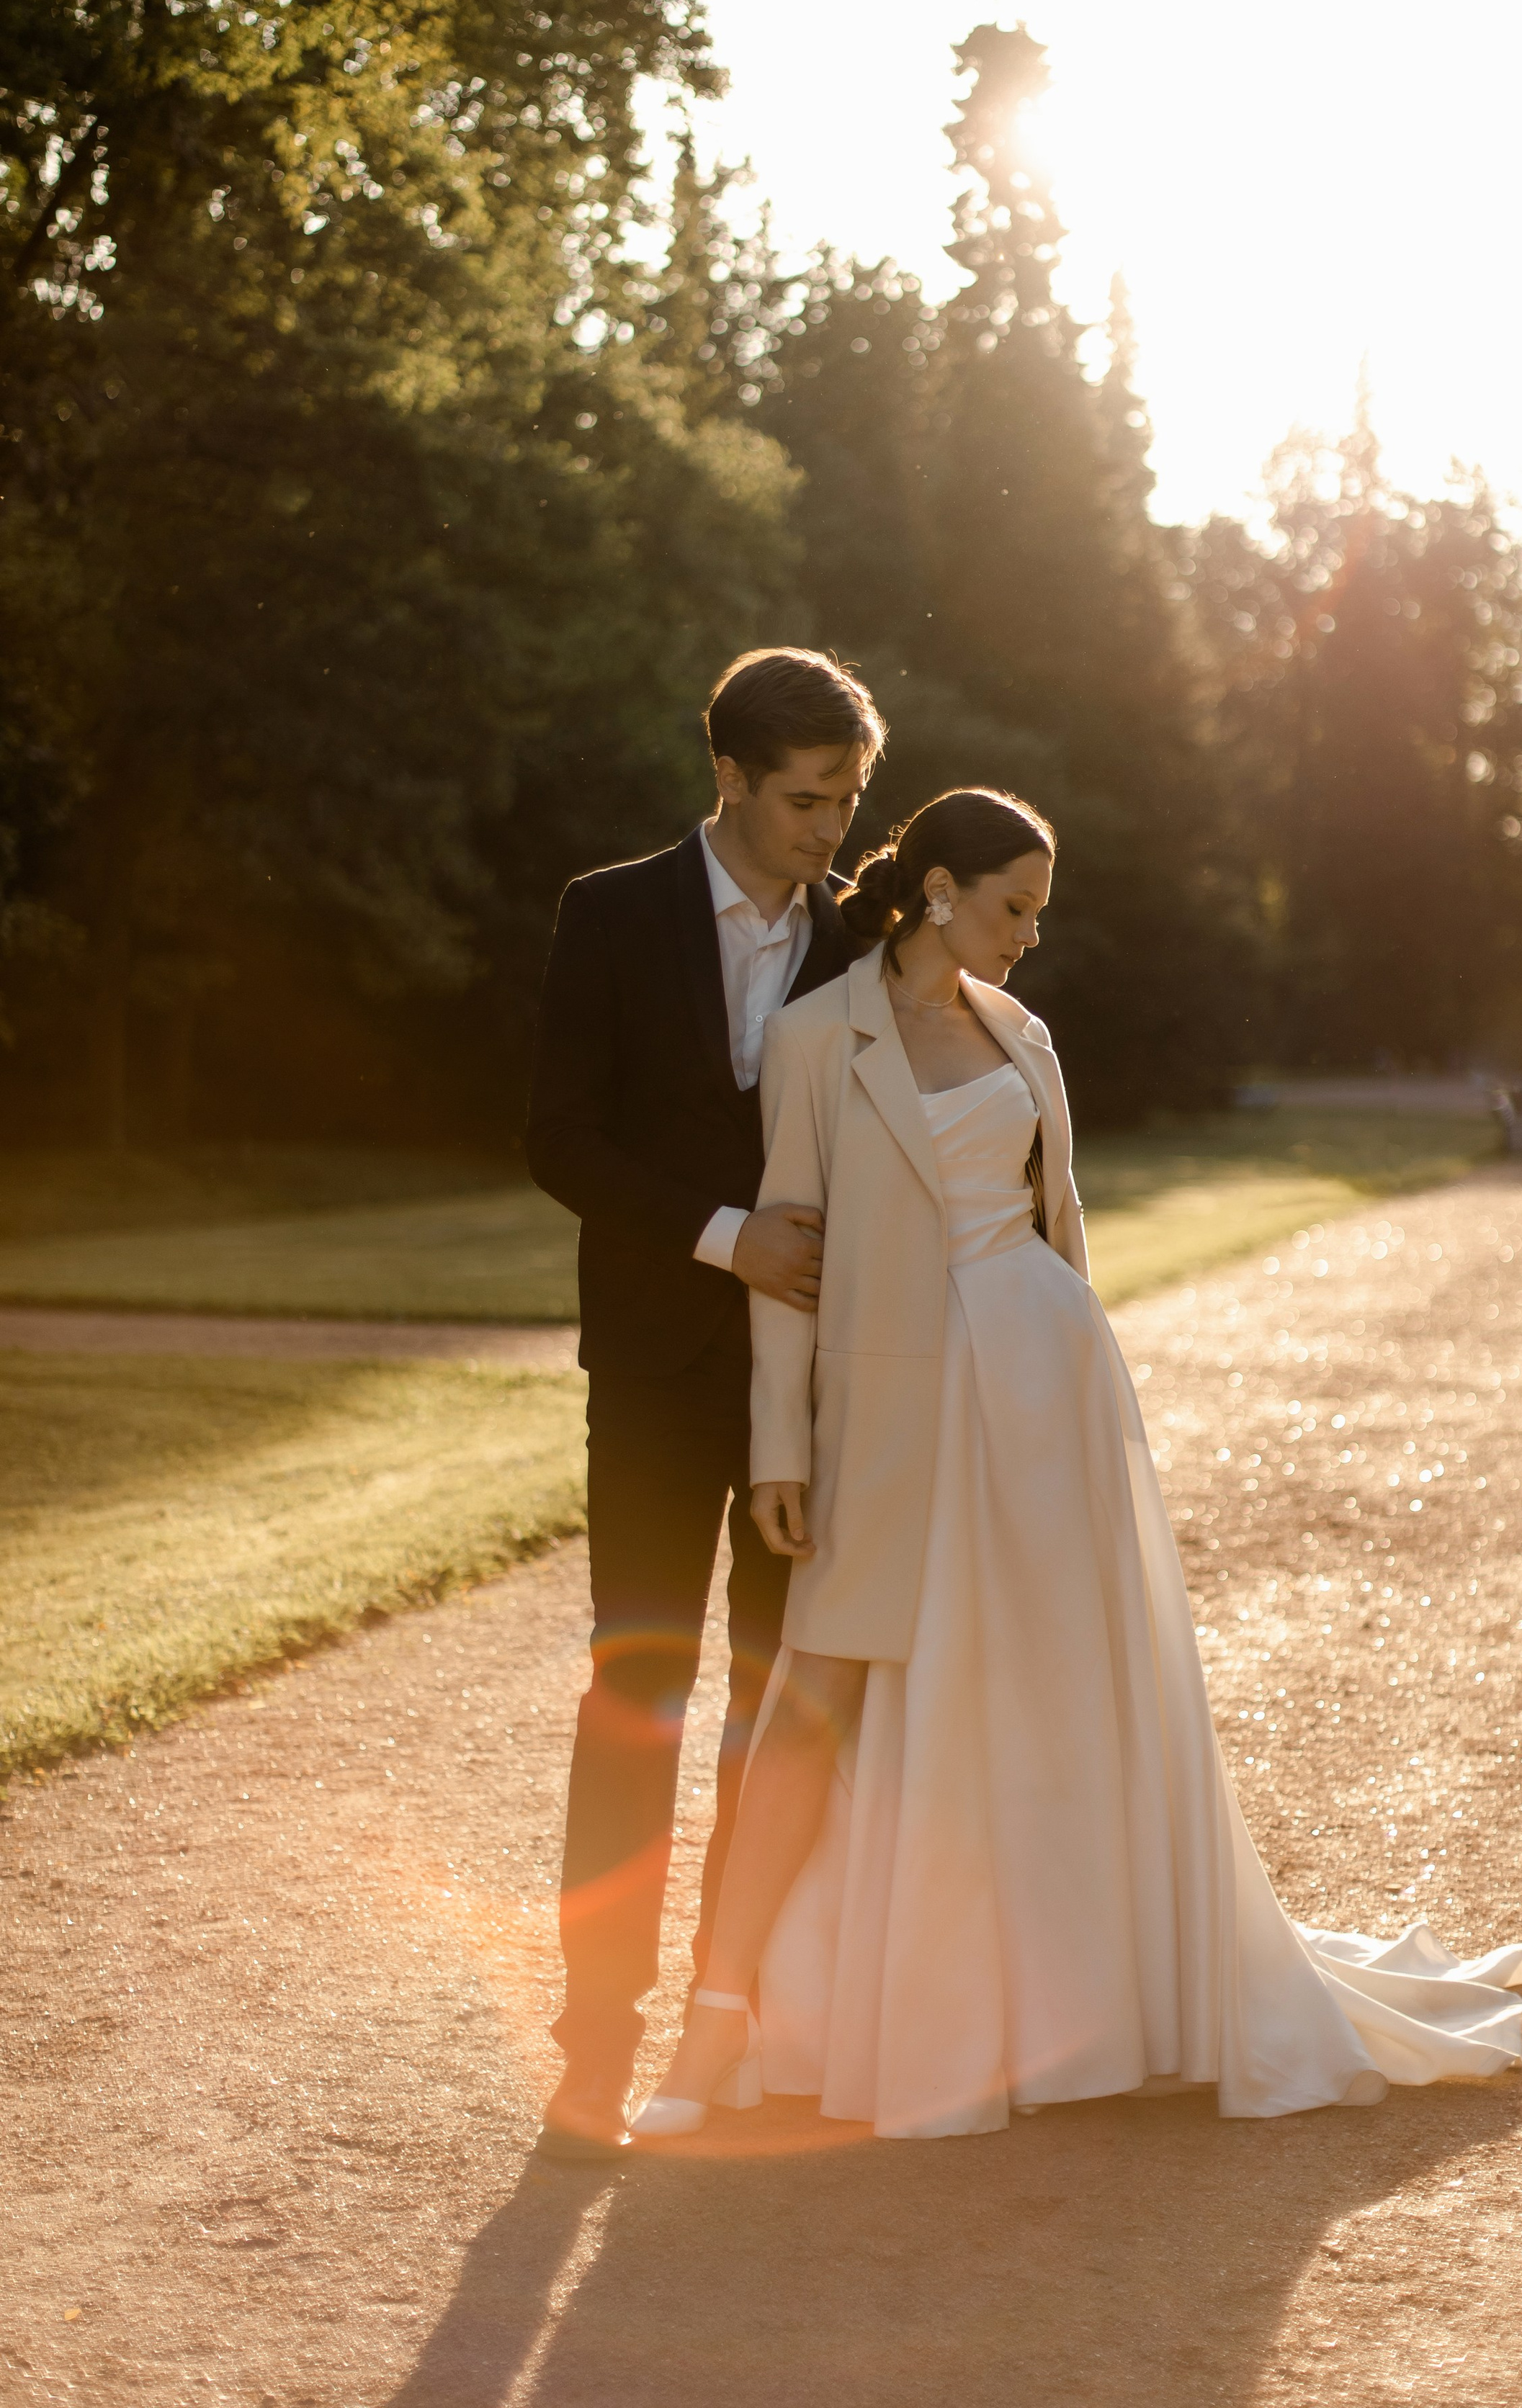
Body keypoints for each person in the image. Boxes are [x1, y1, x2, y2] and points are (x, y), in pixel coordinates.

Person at [635, 788, 1522, 2141]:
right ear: (939, 890)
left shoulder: (1026, 1037)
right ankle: (711, 2033)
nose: (1030, 937)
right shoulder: (817, 1039)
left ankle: (1063, 2015)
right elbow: (787, 1261)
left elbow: (1061, 1233)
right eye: (1016, 907)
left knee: (1046, 1706)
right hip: (883, 1422)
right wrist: (778, 1447)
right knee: (807, 1711)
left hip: (1043, 1394)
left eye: (1040, 914)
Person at [524, 647, 885, 2157]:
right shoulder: (609, 915)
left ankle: (719, 2016)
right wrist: (728, 1239)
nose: (830, 830)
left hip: (816, 1388)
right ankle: (590, 2042)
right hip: (662, 1379)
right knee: (638, 1701)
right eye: (806, 799)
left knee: (771, 1709)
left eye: (850, 799)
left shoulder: (861, 932)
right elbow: (561, 1141)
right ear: (728, 777)